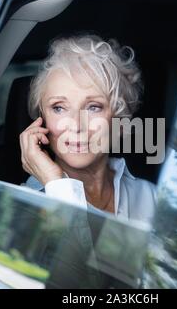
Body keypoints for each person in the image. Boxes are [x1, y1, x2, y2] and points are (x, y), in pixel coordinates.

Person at [20, 34, 157, 224]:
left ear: (119, 117)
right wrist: (56, 184)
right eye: (59, 108)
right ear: (42, 120)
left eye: (94, 107)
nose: (76, 125)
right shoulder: (22, 206)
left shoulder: (149, 197)